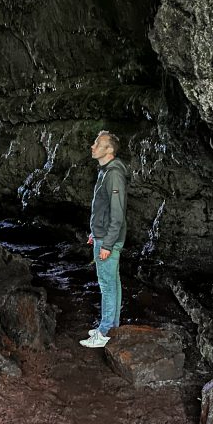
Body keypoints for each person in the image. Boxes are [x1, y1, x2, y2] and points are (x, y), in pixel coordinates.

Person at [80, 130, 128, 348]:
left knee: (107, 285)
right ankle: (112, 325)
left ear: (109, 150)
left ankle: (105, 331)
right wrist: (94, 231)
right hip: (103, 234)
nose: (93, 146)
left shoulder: (114, 174)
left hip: (109, 238)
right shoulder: (106, 171)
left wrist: (107, 243)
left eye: (97, 143)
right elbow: (104, 209)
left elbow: (117, 213)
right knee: (113, 283)